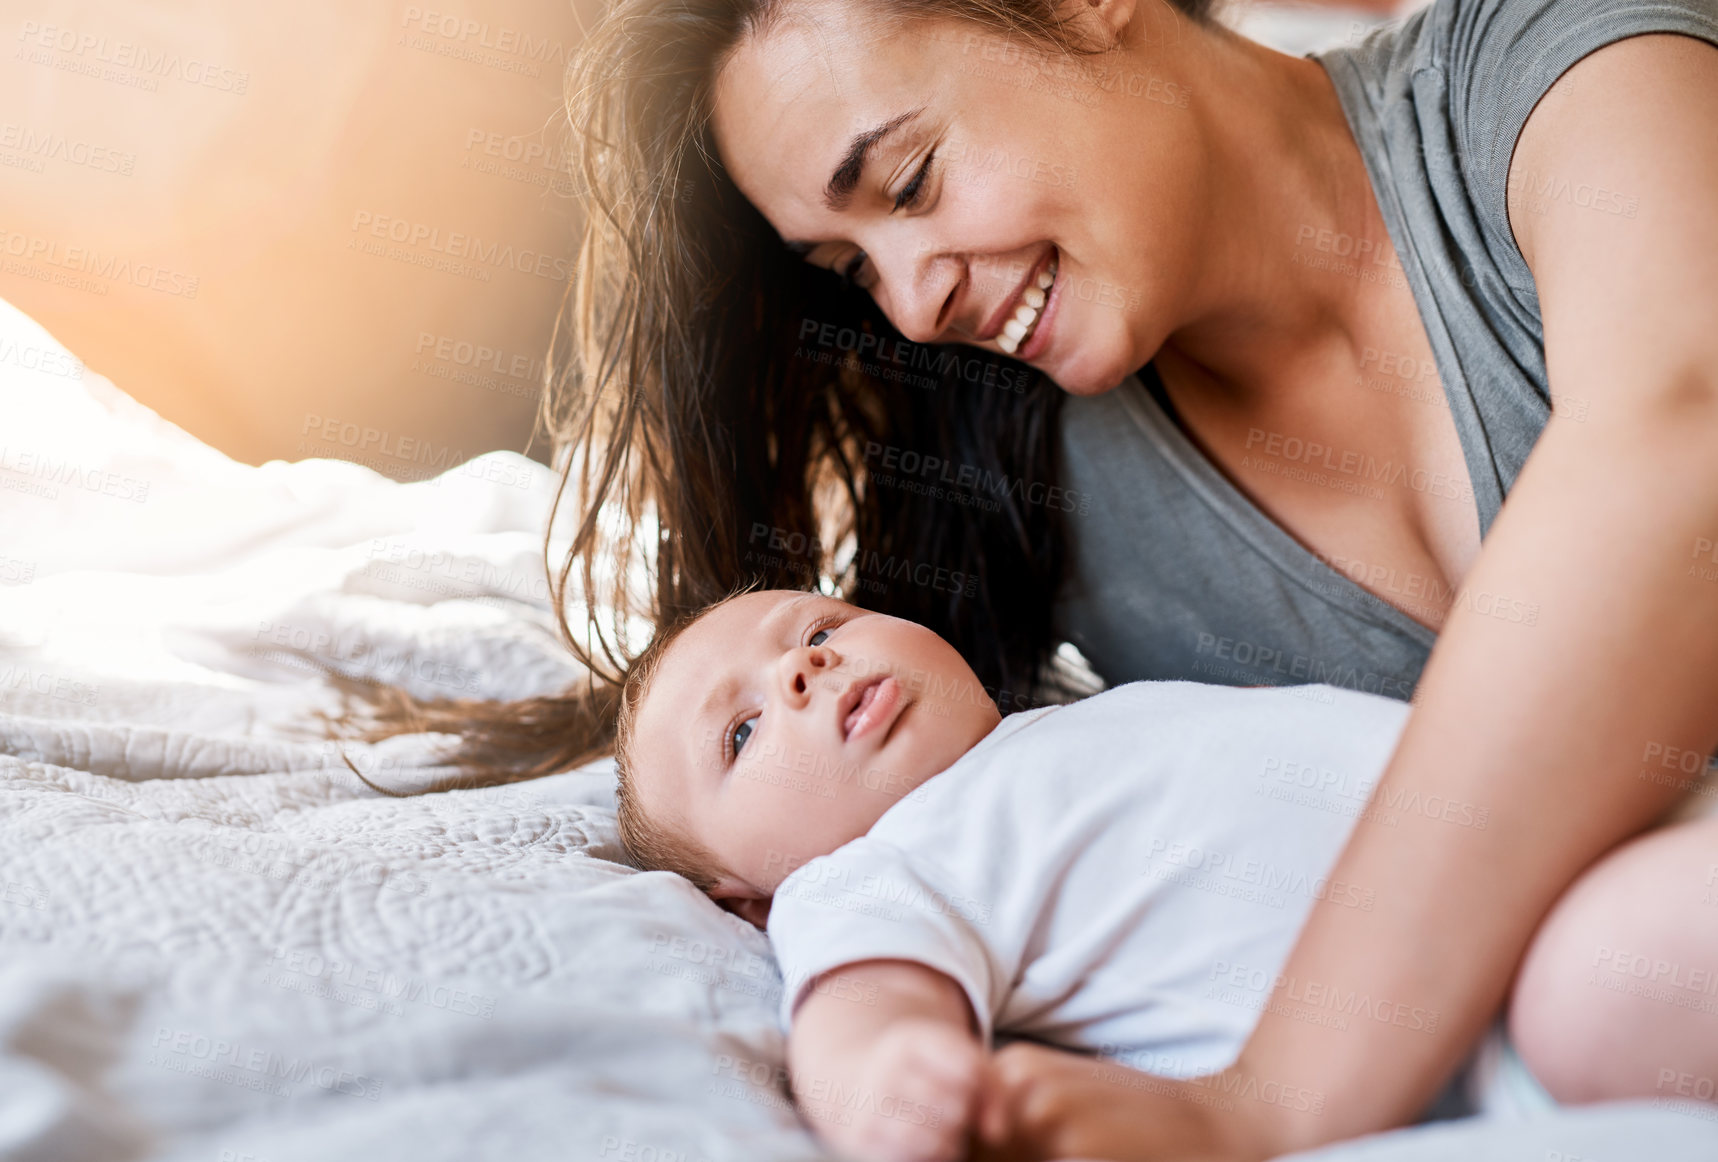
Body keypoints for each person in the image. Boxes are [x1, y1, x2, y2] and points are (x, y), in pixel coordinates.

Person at [366, 0, 1718, 1153]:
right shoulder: (1049, 509)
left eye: (905, 185)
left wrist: (1257, 1104)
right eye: (850, 267)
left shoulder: (1552, 69)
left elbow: (1678, 432)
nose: (908, 303)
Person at [614, 586, 1718, 1162]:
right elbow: (859, 1009)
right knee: (1605, 990)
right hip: (1501, 1007)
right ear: (744, 898)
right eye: (744, 731)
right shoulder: (866, 874)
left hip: (1567, 826)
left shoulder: (1077, 717)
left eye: (819, 626)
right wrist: (894, 1084)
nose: (803, 669)